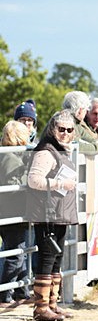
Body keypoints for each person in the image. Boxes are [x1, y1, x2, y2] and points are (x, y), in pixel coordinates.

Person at [26, 110, 78, 321]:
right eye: (61, 129)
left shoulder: (61, 150)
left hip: (58, 212)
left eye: (69, 129)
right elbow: (34, 180)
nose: (65, 133)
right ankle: (40, 307)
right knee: (47, 259)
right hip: (47, 213)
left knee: (56, 259)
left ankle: (52, 304)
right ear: (52, 128)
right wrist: (60, 184)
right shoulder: (46, 152)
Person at [0, 121, 32, 306]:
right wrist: (29, 176)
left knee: (21, 251)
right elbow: (13, 184)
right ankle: (5, 294)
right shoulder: (11, 158)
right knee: (16, 253)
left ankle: (22, 292)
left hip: (12, 211)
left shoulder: (11, 156)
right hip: (12, 212)